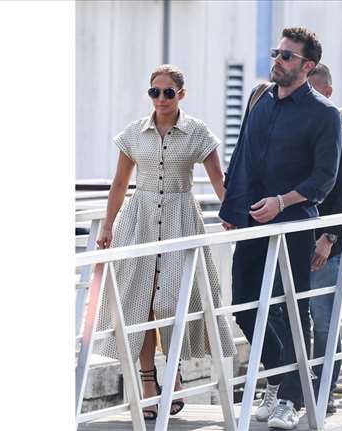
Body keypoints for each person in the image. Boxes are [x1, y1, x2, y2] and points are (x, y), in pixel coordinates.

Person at [95, 64, 236, 421]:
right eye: (154, 92)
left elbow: (219, 180)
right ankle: (148, 382)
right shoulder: (134, 133)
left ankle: (173, 374)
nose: (160, 98)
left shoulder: (197, 132)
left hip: (180, 221)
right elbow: (119, 183)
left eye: (168, 92)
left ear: (181, 94)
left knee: (170, 302)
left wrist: (232, 214)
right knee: (139, 303)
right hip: (138, 222)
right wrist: (107, 225)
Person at [219, 27, 341, 430]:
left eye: (287, 56)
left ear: (307, 66)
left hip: (293, 223)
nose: (278, 60)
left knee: (292, 309)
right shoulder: (259, 98)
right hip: (252, 222)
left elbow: (324, 179)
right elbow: (241, 155)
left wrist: (282, 202)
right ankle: (278, 376)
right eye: (277, 52)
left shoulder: (324, 114)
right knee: (244, 306)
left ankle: (290, 398)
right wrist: (231, 207)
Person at [304, 63, 342, 415]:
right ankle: (297, 391)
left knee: (325, 321)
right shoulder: (303, 136)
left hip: (330, 246)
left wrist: (328, 238)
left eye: (313, 91)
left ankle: (323, 394)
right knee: (296, 319)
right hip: (296, 240)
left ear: (328, 92)